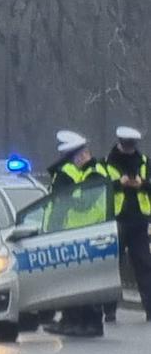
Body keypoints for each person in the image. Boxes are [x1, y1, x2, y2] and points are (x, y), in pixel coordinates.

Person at [43, 131, 109, 337]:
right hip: (75, 231)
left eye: (74, 157)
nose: (74, 161)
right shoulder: (79, 173)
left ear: (82, 154)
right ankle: (72, 320)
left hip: (89, 232)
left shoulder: (94, 173)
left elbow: (85, 204)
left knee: (84, 281)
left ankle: (88, 323)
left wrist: (67, 200)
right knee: (72, 280)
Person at [103, 126, 151, 322]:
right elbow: (101, 188)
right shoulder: (107, 163)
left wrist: (143, 184)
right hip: (117, 222)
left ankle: (149, 308)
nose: (130, 149)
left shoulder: (144, 162)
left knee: (145, 265)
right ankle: (110, 310)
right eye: (127, 145)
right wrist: (119, 184)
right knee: (113, 267)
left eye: (132, 146)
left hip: (139, 222)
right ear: (120, 143)